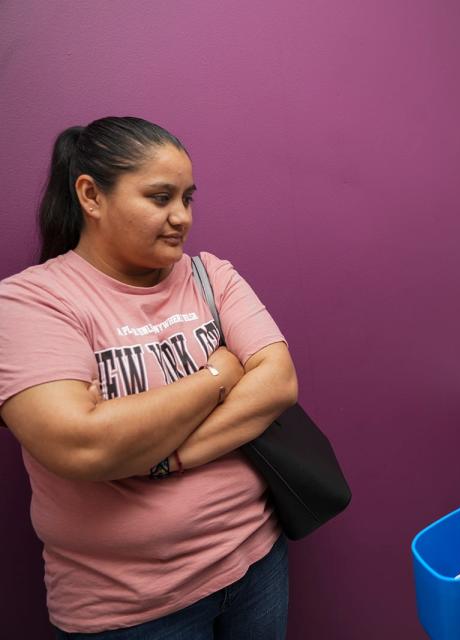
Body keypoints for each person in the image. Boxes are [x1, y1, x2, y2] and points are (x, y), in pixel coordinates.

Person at [0, 117, 299, 638]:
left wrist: (163, 456)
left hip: (254, 558)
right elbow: (81, 446)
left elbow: (278, 383)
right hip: (130, 606)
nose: (181, 217)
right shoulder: (31, 303)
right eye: (160, 197)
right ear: (91, 196)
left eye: (187, 198)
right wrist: (217, 374)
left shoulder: (212, 274)